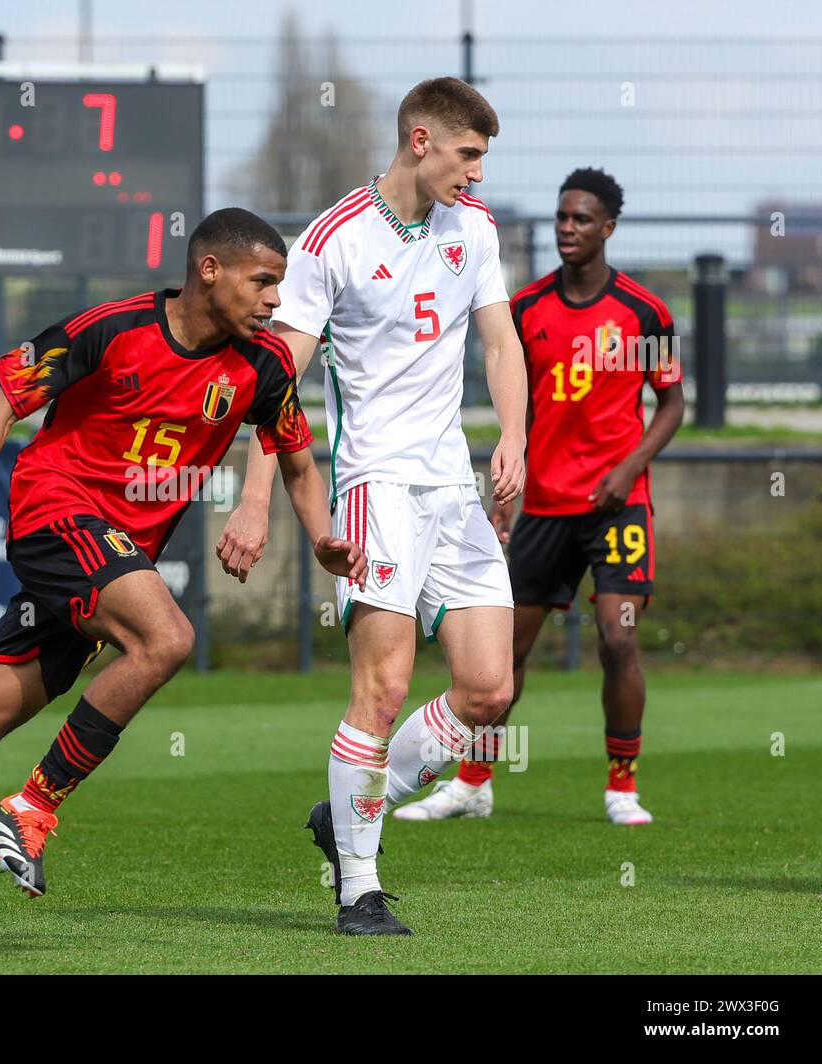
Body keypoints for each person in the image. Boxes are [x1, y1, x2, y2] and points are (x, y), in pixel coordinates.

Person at [0, 207, 368, 949]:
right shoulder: (111, 329)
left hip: (113, 557)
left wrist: (321, 538)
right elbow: (0, 407)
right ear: (210, 270)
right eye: (264, 281)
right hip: (54, 512)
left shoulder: (266, 365)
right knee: (167, 638)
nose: (277, 299)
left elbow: (300, 462)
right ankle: (32, 808)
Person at [218, 77, 527, 935]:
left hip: (451, 486)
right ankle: (358, 886)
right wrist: (254, 501)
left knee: (489, 689)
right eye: (468, 156)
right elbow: (275, 380)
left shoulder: (477, 229)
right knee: (383, 691)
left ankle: (349, 808)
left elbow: (501, 341)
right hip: (373, 487)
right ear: (421, 140)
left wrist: (514, 436)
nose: (476, 175)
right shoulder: (333, 239)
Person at [394, 168, 683, 826]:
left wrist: (629, 466)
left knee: (618, 638)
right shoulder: (524, 310)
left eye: (582, 219)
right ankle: (472, 784)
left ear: (608, 227)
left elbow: (673, 403)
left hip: (617, 506)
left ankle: (622, 786)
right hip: (543, 508)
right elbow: (510, 400)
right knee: (503, 655)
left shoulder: (646, 312)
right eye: (561, 217)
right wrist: (509, 480)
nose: (567, 229)